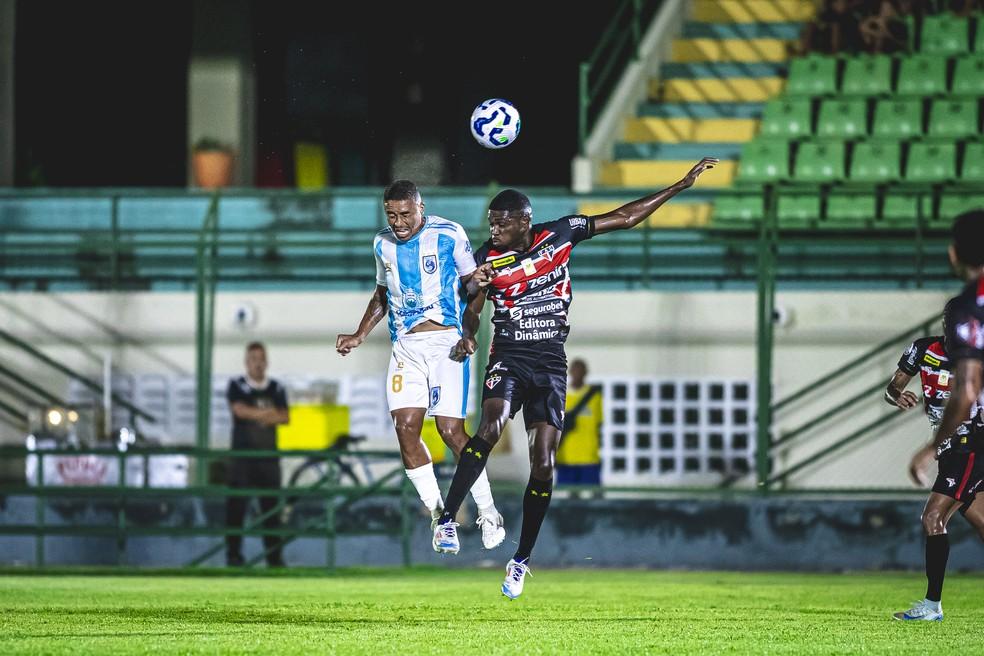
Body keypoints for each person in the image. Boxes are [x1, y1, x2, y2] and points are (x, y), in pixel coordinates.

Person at [433, 157, 718, 599]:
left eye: (502, 223)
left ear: (525, 221)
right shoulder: (486, 258)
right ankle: (448, 519)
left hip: (550, 360)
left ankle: (520, 560)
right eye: (491, 222)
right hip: (509, 354)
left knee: (544, 463)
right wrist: (469, 329)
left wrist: (678, 186)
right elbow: (471, 305)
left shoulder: (561, 233)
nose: (494, 229)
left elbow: (624, 218)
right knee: (490, 426)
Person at [335, 179, 506, 552]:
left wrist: (469, 327)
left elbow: (473, 287)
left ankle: (488, 510)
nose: (398, 222)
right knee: (405, 429)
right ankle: (439, 516)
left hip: (446, 344)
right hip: (405, 348)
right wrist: (359, 334)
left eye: (405, 214)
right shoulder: (382, 244)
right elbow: (382, 294)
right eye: (391, 215)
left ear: (420, 208)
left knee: (450, 431)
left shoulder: (449, 234)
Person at [900, 211, 984, 621]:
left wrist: (930, 448)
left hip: (969, 440)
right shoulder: (926, 349)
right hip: (968, 441)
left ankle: (932, 605)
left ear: (954, 254)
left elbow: (966, 390)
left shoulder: (971, 307)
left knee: (933, 515)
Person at [225, 341, 290, 567]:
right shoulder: (236, 386)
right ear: (246, 362)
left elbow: (284, 416)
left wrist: (255, 413)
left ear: (267, 361)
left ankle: (274, 558)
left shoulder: (277, 388)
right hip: (242, 461)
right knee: (236, 509)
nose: (258, 364)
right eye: (253, 359)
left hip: (268, 461)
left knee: (271, 510)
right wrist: (267, 413)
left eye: (261, 359)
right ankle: (234, 556)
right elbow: (239, 411)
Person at [556, 358, 603, 489]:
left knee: (593, 495)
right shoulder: (561, 396)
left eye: (580, 371)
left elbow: (599, 424)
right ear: (570, 372)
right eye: (575, 370)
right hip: (565, 458)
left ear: (586, 373)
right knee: (565, 497)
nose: (577, 374)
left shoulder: (595, 397)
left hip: (589, 457)